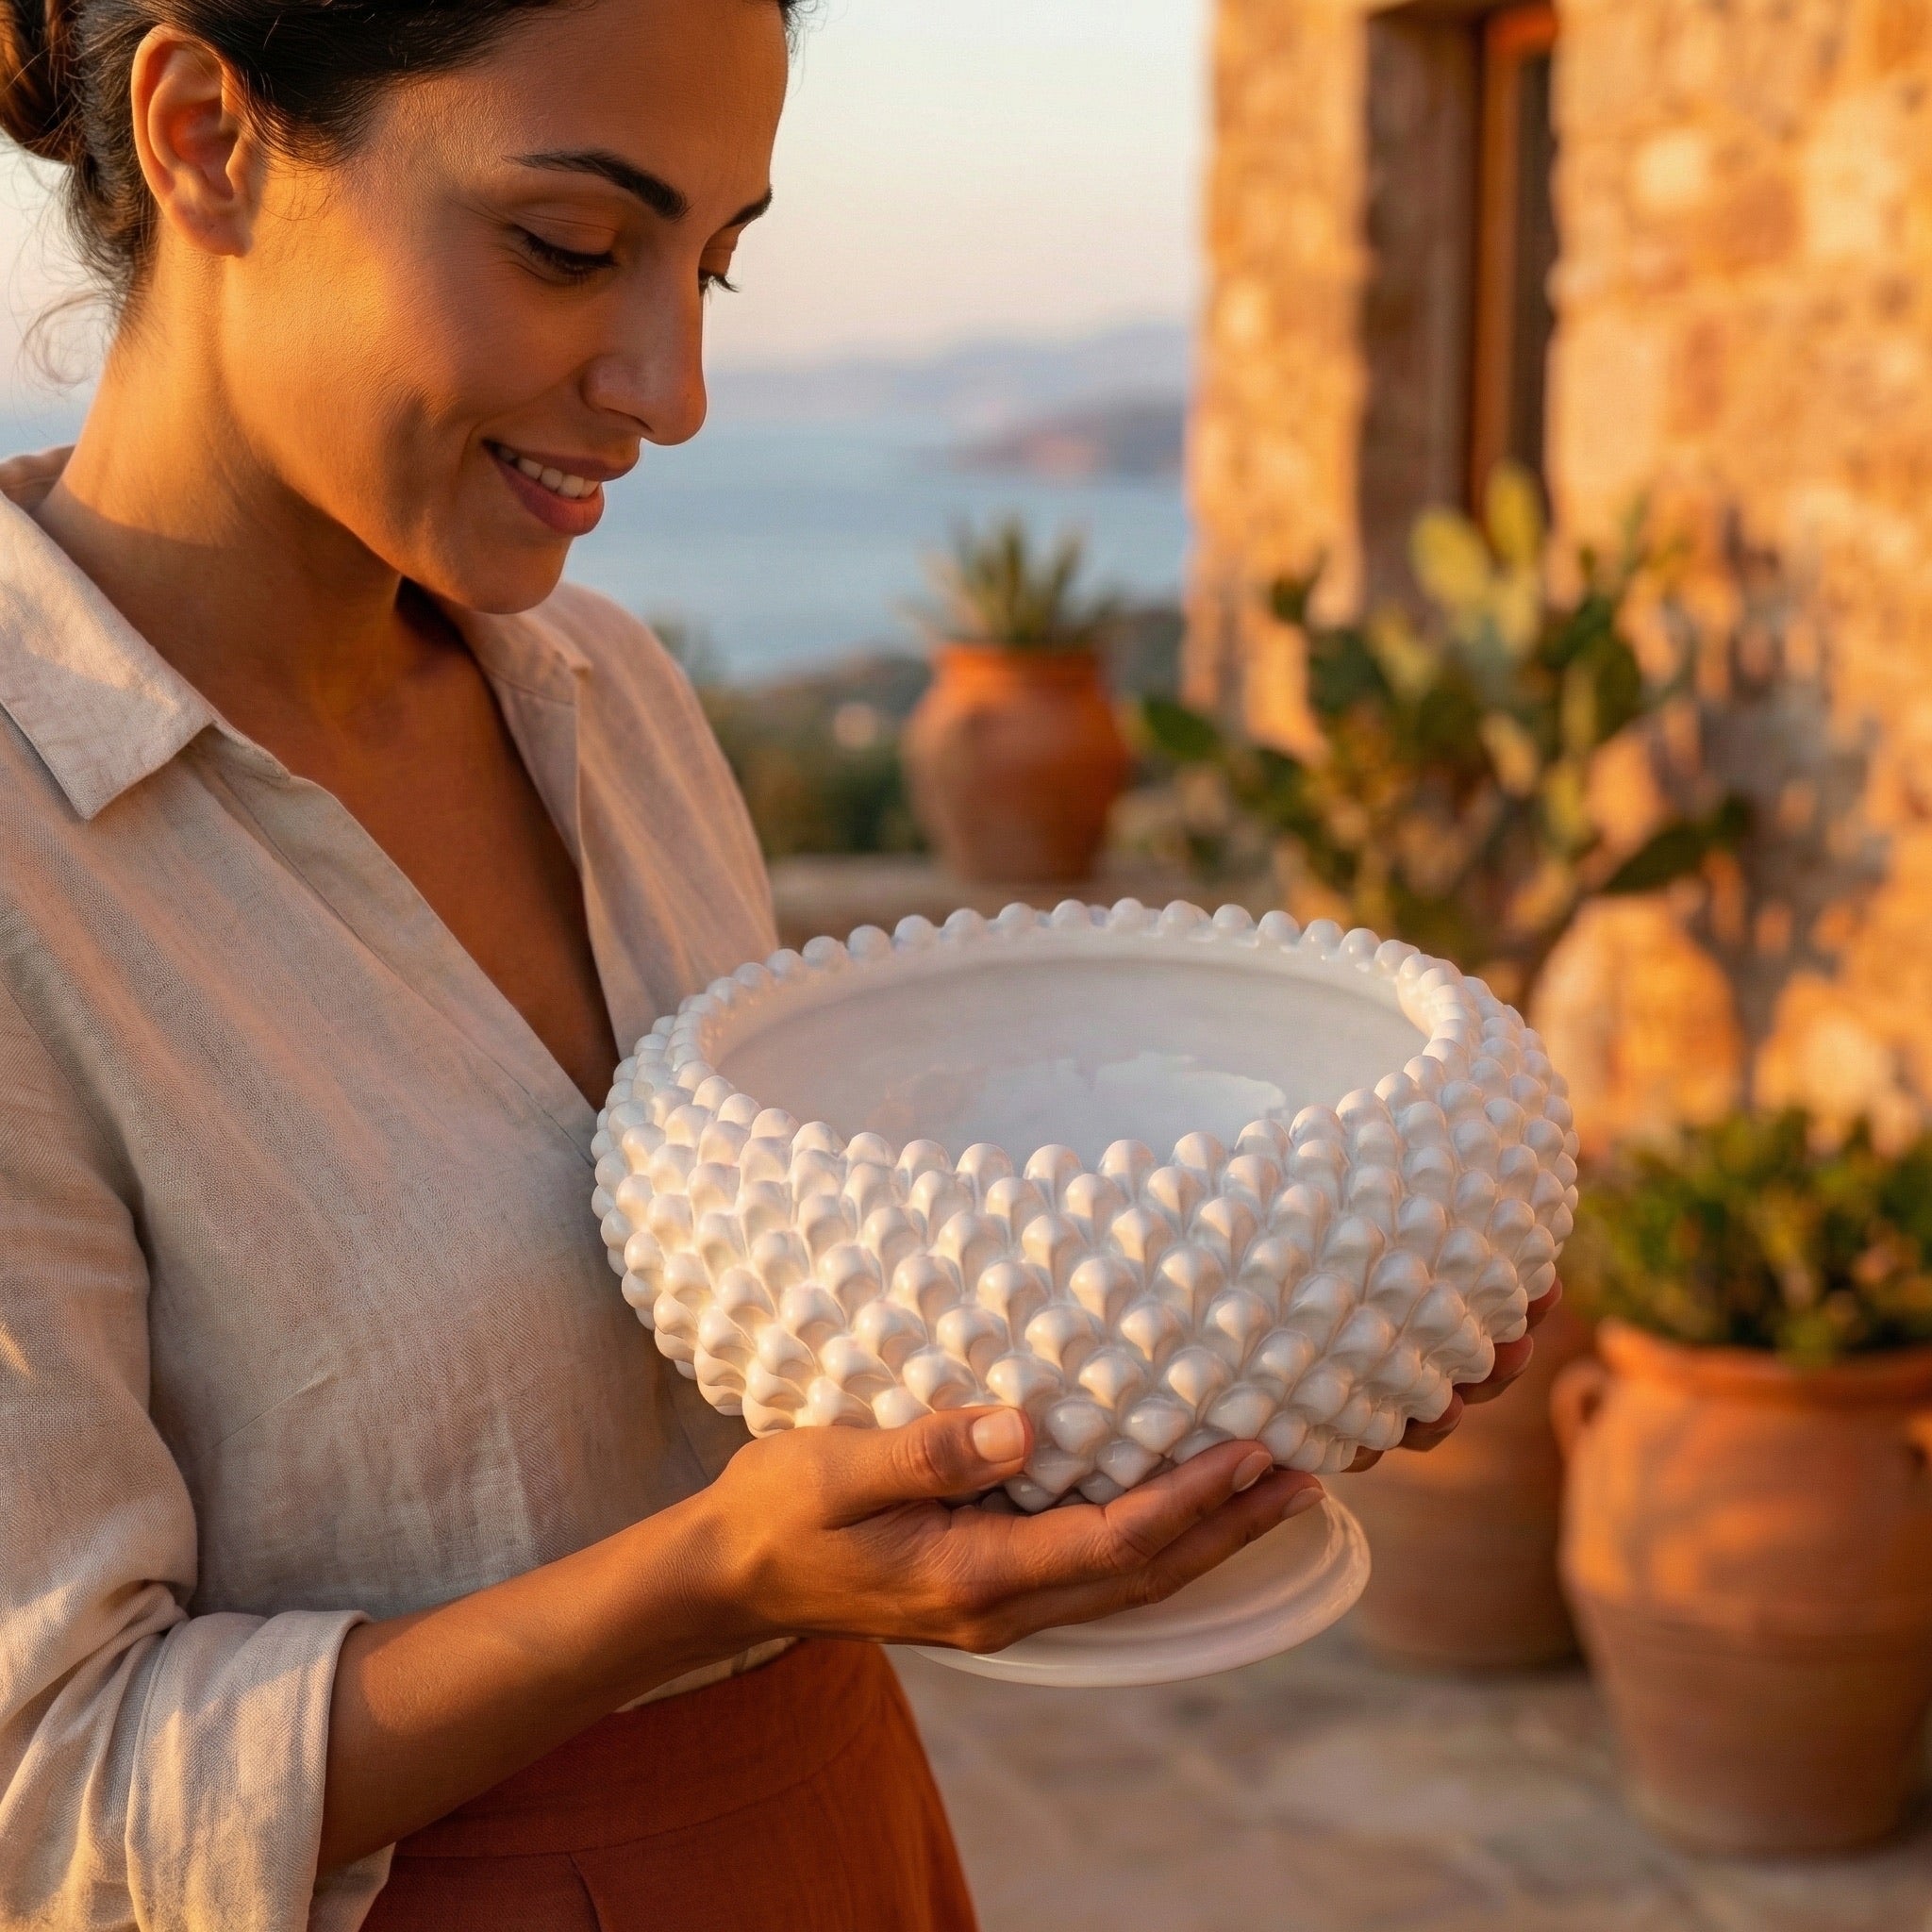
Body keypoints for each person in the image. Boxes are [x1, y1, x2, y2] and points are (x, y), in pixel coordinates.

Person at [0, 0, 1557, 1924]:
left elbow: (778, 1338)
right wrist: (715, 1581)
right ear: (206, 131)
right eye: (572, 244)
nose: (675, 384)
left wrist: (1289, 1322)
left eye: (716, 261)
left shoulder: (611, 705)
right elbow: (48, 1790)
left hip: (839, 1840)